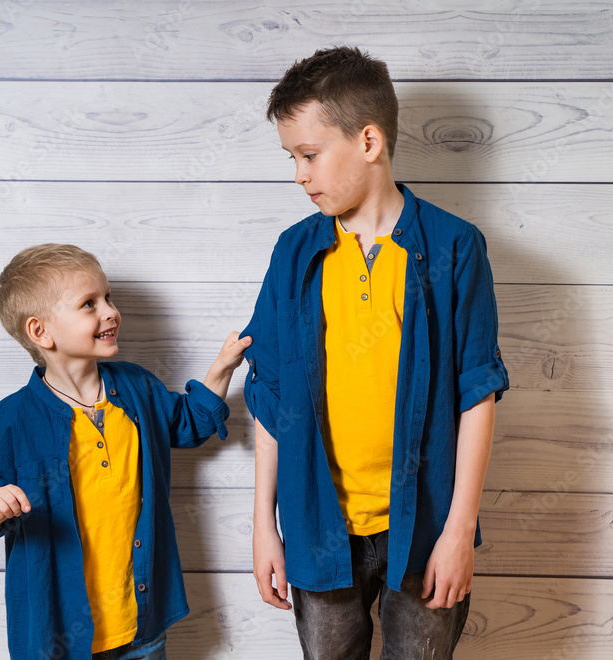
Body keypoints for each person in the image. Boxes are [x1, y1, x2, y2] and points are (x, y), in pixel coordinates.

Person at [241, 46, 509, 658]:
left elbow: (477, 393)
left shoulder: (455, 248)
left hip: (427, 528)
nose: (300, 175)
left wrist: (459, 532)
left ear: (369, 141)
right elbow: (272, 395)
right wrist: (266, 527)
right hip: (318, 530)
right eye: (293, 159)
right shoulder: (294, 252)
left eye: (309, 156)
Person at [0, 244, 251, 660]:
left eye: (108, 297)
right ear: (40, 332)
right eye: (89, 304)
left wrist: (223, 367)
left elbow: (189, 423)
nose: (110, 311)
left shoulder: (137, 387)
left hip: (142, 625)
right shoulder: (10, 421)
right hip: (58, 635)